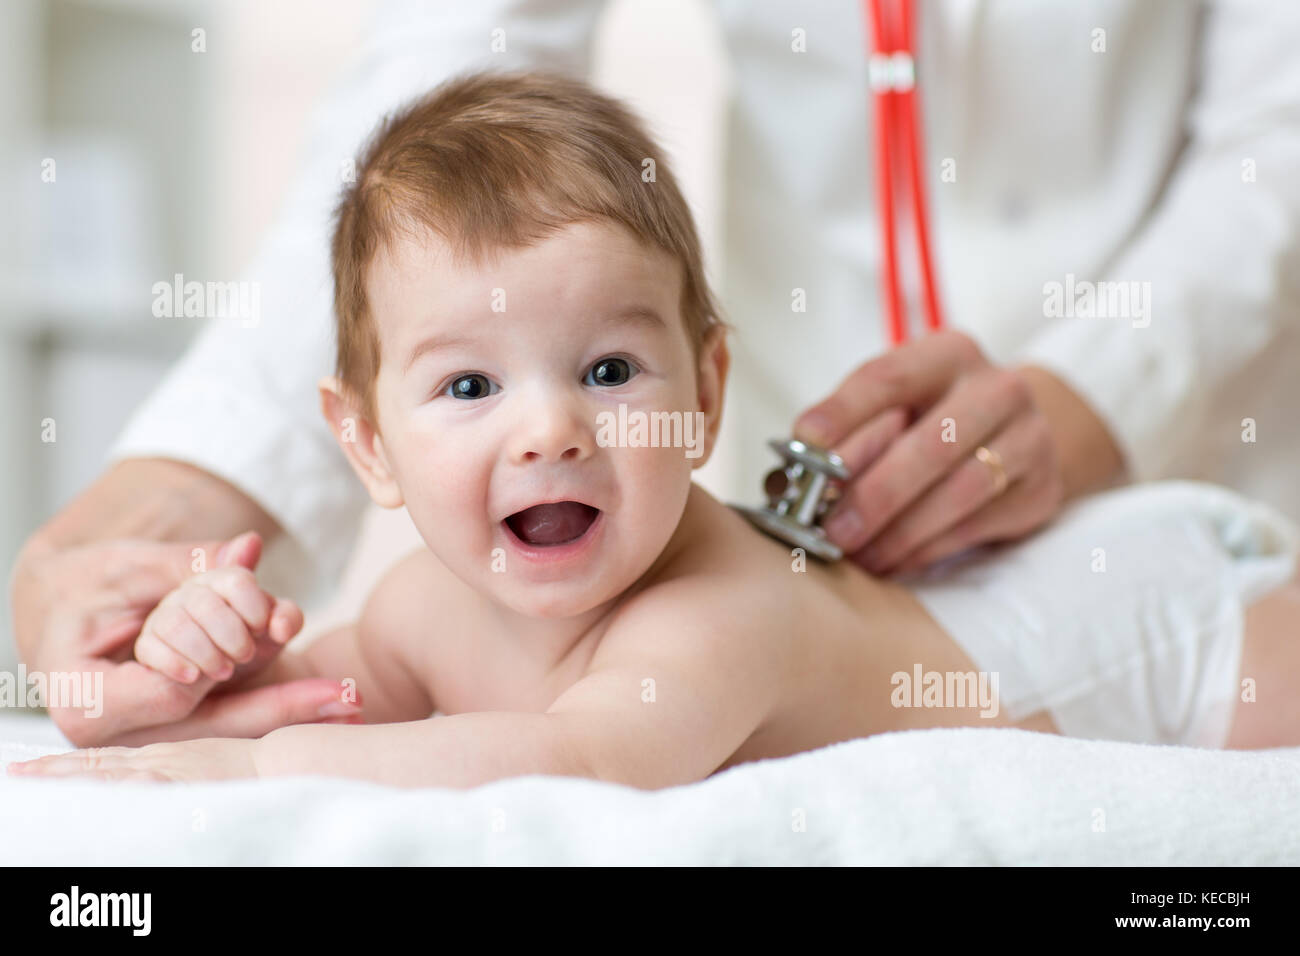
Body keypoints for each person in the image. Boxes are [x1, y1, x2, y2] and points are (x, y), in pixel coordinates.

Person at [13, 0, 1300, 747]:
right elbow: (452, 81)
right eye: (468, 388)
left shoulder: (710, 618)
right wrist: (191, 656)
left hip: (1167, 598)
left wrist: (216, 784)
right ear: (363, 440)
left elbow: (568, 762)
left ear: (704, 390)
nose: (549, 430)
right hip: (863, 495)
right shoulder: (427, 607)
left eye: (611, 369)